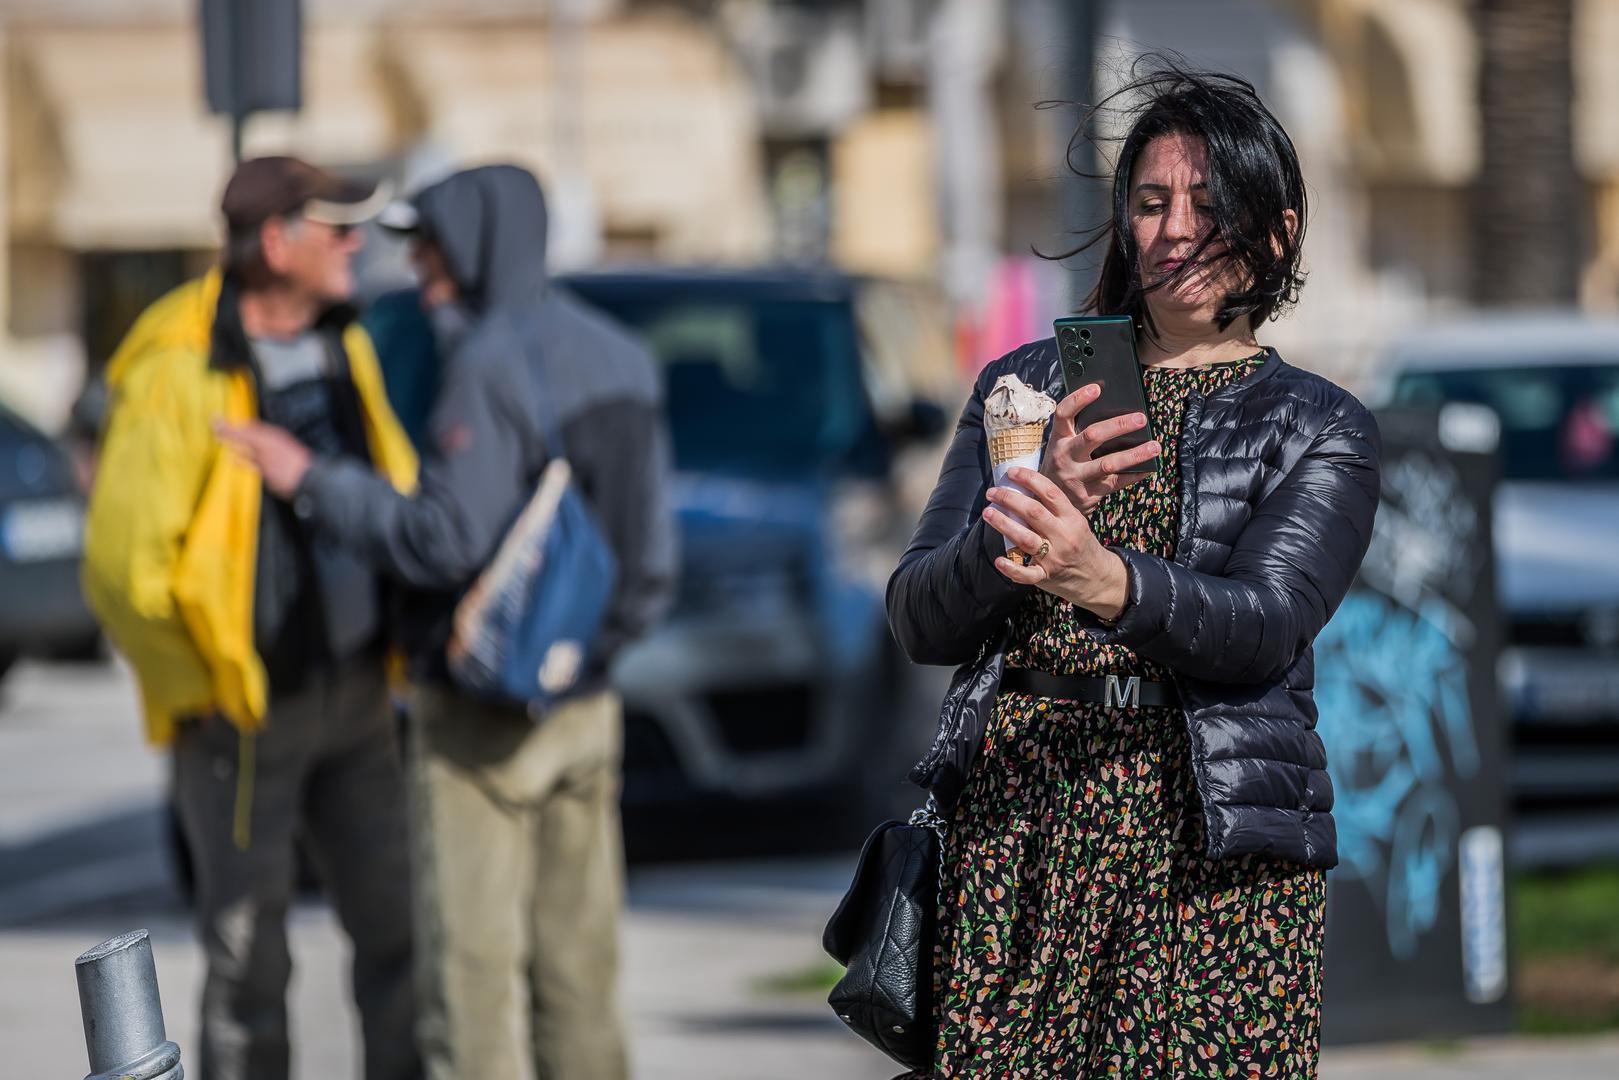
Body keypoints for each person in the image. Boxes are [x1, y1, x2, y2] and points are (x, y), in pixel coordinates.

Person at [887, 66, 1382, 1078]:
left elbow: (1262, 625)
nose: (1173, 231)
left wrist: (1097, 574)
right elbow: (918, 619)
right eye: (1150, 203)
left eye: (1209, 206)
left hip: (1207, 852)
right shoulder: (1023, 388)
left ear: (1275, 234)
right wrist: (1014, 538)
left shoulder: (1317, 426)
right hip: (1016, 835)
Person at [218, 164, 677, 1080]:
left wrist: (313, 480)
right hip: (584, 705)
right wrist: (585, 657)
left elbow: (439, 540)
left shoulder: (485, 364)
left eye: (426, 242)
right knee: (579, 975)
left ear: (473, 245)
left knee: (469, 986)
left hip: (477, 717)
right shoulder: (621, 357)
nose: (415, 263)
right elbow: (651, 562)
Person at [80, 156, 422, 1080]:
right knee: (249, 970)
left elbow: (386, 487)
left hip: (357, 697)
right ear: (277, 243)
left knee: (401, 938)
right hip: (242, 717)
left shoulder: (341, 342)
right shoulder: (177, 366)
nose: (357, 246)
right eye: (337, 229)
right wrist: (210, 690)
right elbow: (121, 571)